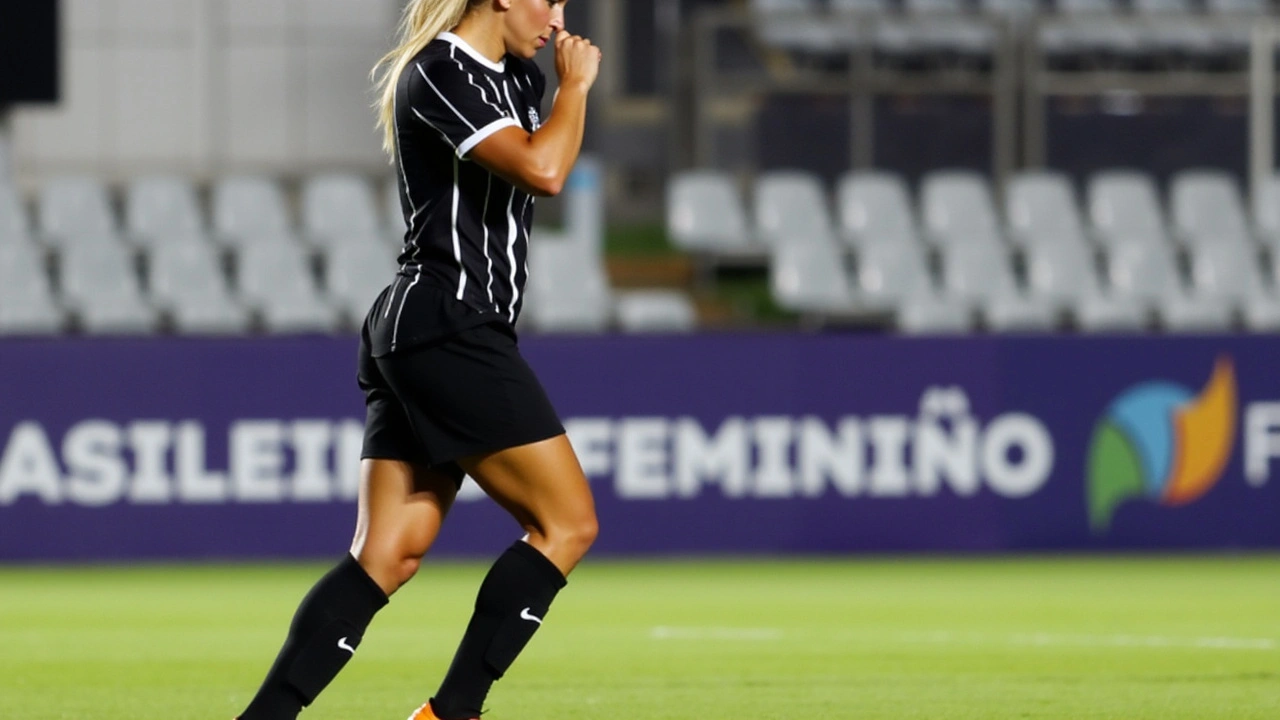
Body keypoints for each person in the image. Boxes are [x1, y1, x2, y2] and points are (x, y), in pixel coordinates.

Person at [235, 1, 601, 719]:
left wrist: (557, 91)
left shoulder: (519, 81)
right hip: (448, 324)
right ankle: (451, 713)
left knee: (389, 554)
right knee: (568, 524)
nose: (559, 18)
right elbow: (545, 170)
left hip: (427, 329)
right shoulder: (437, 71)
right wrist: (578, 89)